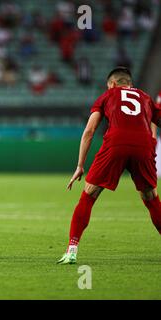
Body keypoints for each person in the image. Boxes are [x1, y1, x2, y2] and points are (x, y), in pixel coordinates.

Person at [57, 67, 161, 265]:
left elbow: (89, 131)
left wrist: (80, 165)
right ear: (130, 84)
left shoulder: (107, 95)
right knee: (151, 198)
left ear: (112, 84)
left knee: (89, 195)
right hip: (144, 145)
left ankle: (72, 250)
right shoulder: (146, 97)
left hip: (116, 143)